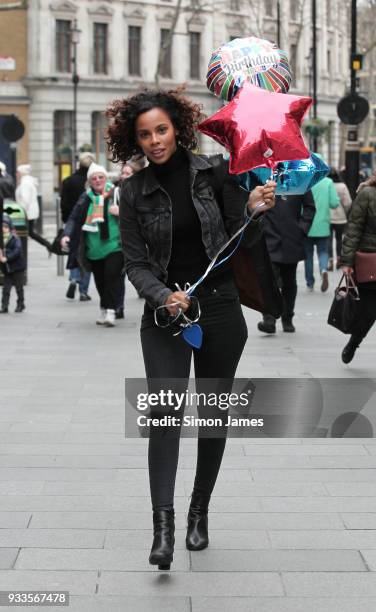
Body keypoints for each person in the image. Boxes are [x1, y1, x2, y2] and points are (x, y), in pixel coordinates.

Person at [105, 88, 279, 570]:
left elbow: (238, 240)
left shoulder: (214, 172)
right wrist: (164, 297)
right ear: (134, 141)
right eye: (145, 134)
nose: (155, 141)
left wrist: (251, 211)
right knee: (163, 420)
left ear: (177, 128)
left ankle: (199, 511)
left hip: (219, 308)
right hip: (165, 317)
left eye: (161, 130)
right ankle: (163, 526)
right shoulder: (132, 191)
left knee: (213, 417)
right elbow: (135, 265)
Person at [60, 163, 124, 327]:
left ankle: (111, 311)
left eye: (100, 177)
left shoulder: (116, 193)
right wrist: (66, 235)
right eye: (94, 178)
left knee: (111, 277)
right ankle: (104, 308)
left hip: (115, 245)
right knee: (100, 281)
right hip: (93, 248)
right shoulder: (85, 198)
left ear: (106, 178)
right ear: (89, 181)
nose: (97, 180)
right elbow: (73, 218)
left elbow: (135, 213)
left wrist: (121, 210)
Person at [257, 191, 316, 334]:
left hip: (292, 237)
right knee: (270, 280)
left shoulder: (301, 177)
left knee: (289, 281)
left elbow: (310, 207)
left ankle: (287, 317)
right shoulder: (267, 174)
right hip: (270, 237)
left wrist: (302, 228)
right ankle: (269, 318)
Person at [340, 170, 376, 364]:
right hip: (372, 263)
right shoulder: (368, 193)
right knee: (368, 312)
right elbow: (354, 228)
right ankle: (354, 342)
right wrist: (347, 261)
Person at [113, 156, 147, 318]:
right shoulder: (115, 191)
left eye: (127, 173)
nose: (123, 176)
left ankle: (144, 289)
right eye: (123, 173)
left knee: (138, 268)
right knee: (119, 275)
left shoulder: (141, 192)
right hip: (118, 241)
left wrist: (119, 213)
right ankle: (119, 307)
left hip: (139, 240)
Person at [60, 153, 96, 301]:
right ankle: (83, 291)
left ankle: (74, 278)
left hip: (72, 222)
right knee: (86, 255)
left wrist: (66, 220)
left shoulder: (68, 181)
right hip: (88, 223)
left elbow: (63, 203)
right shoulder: (91, 184)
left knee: (74, 252)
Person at [304, 169, 339, 292]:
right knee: (323, 251)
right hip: (323, 224)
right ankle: (324, 269)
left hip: (306, 225)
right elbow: (334, 203)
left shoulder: (305, 182)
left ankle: (310, 282)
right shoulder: (328, 182)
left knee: (307, 255)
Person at [15, 164, 52, 253]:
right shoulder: (27, 182)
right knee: (30, 233)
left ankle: (48, 245)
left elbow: (25, 199)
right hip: (29, 212)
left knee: (24, 232)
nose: (16, 174)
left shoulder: (25, 183)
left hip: (26, 213)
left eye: (18, 172)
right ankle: (48, 245)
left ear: (21, 173)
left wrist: (20, 213)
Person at [0, 214, 26, 313]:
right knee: (6, 288)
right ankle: (4, 306)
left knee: (19, 288)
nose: (3, 229)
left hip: (17, 267)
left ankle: (21, 304)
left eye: (5, 227)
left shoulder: (14, 238)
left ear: (10, 227)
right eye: (2, 227)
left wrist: (7, 258)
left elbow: (17, 250)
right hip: (7, 268)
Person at [328, 168, 352, 271]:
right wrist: (345, 212)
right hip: (340, 217)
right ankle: (339, 258)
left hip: (328, 217)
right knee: (339, 239)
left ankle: (329, 260)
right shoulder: (342, 186)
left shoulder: (326, 184)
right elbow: (348, 202)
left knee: (328, 240)